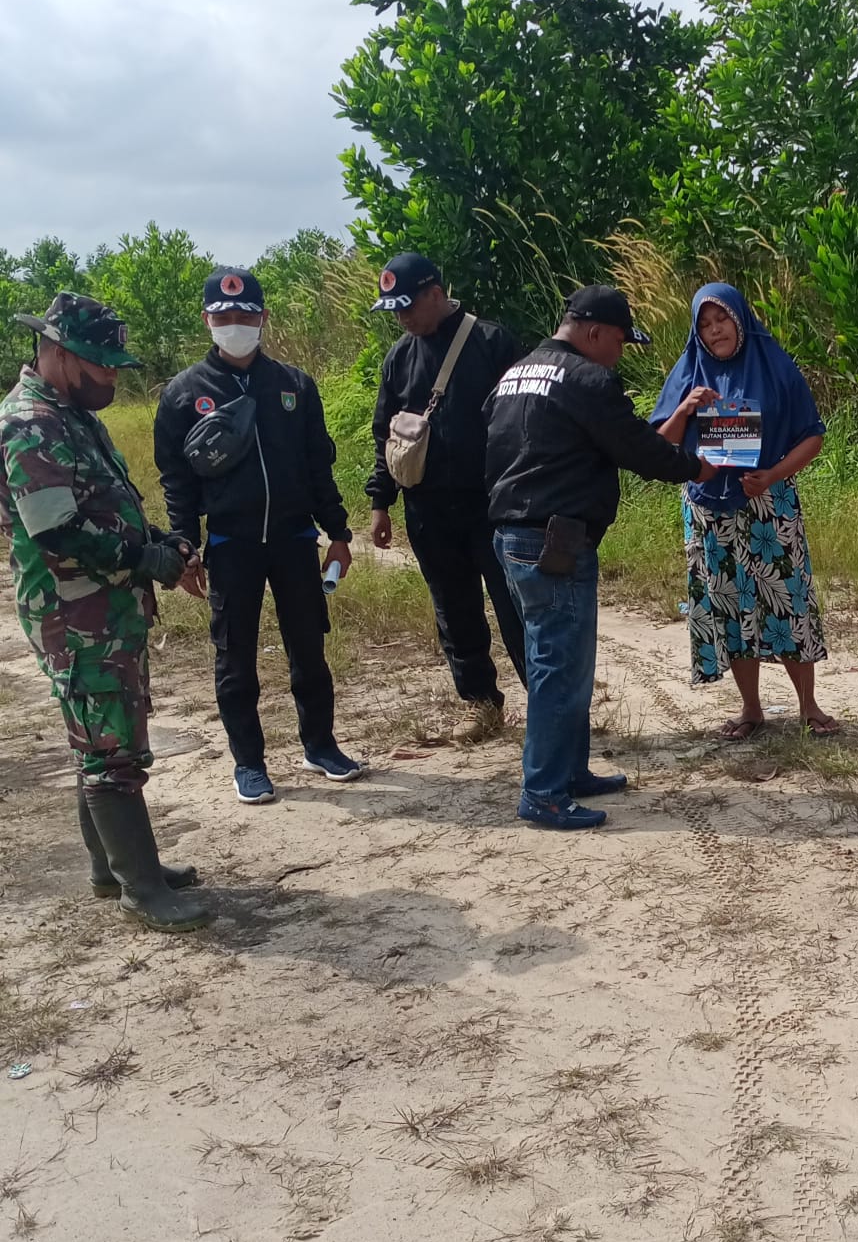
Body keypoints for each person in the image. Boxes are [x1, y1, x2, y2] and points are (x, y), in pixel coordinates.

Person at [1, 294, 207, 932]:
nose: (113, 377)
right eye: (102, 365)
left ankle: (112, 867)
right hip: (74, 611)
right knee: (108, 749)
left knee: (112, 735)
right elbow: (59, 532)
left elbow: (109, 495)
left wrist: (160, 540)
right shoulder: (29, 422)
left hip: (106, 605)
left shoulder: (72, 411)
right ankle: (141, 889)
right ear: (60, 355)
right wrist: (145, 560)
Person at [485, 285, 714, 830]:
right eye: (618, 341)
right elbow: (637, 447)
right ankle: (542, 793)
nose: (620, 353)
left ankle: (571, 771)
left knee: (567, 663)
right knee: (557, 669)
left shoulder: (515, 374)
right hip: (554, 540)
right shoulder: (587, 379)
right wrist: (697, 468)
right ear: (593, 332)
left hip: (513, 535)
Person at [154, 268, 363, 805]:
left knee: (309, 652)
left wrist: (337, 533)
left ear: (263, 317)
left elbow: (319, 466)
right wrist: (184, 546)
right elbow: (177, 481)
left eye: (246, 315)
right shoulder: (184, 394)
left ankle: (321, 746)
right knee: (235, 659)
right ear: (207, 321)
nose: (235, 325)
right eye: (224, 317)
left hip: (295, 539)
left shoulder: (294, 384)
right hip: (231, 544)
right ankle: (249, 763)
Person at [650, 283, 837, 738]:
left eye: (723, 320)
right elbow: (659, 445)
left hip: (770, 505)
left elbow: (812, 435)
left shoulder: (774, 363)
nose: (716, 332)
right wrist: (687, 407)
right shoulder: (689, 370)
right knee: (730, 607)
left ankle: (809, 706)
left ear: (741, 318)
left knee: (788, 601)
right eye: (705, 324)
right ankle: (751, 709)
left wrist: (773, 475)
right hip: (708, 510)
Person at [366, 253, 528, 743]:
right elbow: (387, 436)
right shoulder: (399, 357)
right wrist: (380, 501)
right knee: (454, 612)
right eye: (393, 310)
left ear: (436, 292)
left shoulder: (492, 343)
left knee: (517, 608)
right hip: (428, 509)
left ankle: (549, 706)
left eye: (408, 305)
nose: (402, 317)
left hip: (494, 506)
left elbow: (526, 424)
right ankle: (480, 704)